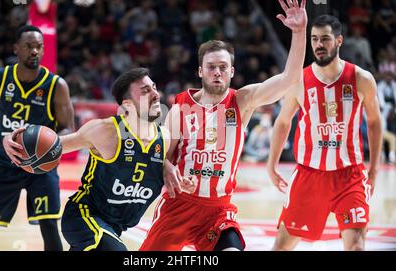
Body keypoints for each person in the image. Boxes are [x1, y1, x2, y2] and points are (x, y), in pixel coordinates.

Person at [140, 0, 307, 251]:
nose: (217, 72)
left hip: (218, 210)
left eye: (222, 67)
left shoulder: (243, 101)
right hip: (178, 206)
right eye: (211, 67)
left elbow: (290, 78)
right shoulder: (180, 109)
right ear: (200, 71)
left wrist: (299, 32)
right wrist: (168, 169)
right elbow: (160, 158)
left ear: (231, 72)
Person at [4, 68, 194, 251]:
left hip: (114, 229)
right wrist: (10, 140)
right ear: (127, 104)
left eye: (153, 87)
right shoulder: (105, 131)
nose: (155, 94)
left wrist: (168, 168)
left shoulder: (165, 139)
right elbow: (53, 146)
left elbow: (155, 165)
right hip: (84, 217)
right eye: (145, 91)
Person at [0, 25, 75, 251]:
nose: (35, 51)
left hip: (40, 167)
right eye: (29, 46)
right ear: (16, 48)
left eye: (39, 47)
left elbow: (68, 130)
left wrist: (48, 140)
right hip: (3, 163)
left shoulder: (57, 85)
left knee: (49, 226)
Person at [266, 15, 383, 251]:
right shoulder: (299, 80)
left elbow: (374, 122)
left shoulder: (362, 78)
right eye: (314, 39)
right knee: (280, 247)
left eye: (325, 39)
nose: (319, 45)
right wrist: (271, 165)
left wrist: (374, 168)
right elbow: (282, 122)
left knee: (357, 247)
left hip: (349, 175)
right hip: (309, 175)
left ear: (339, 41)